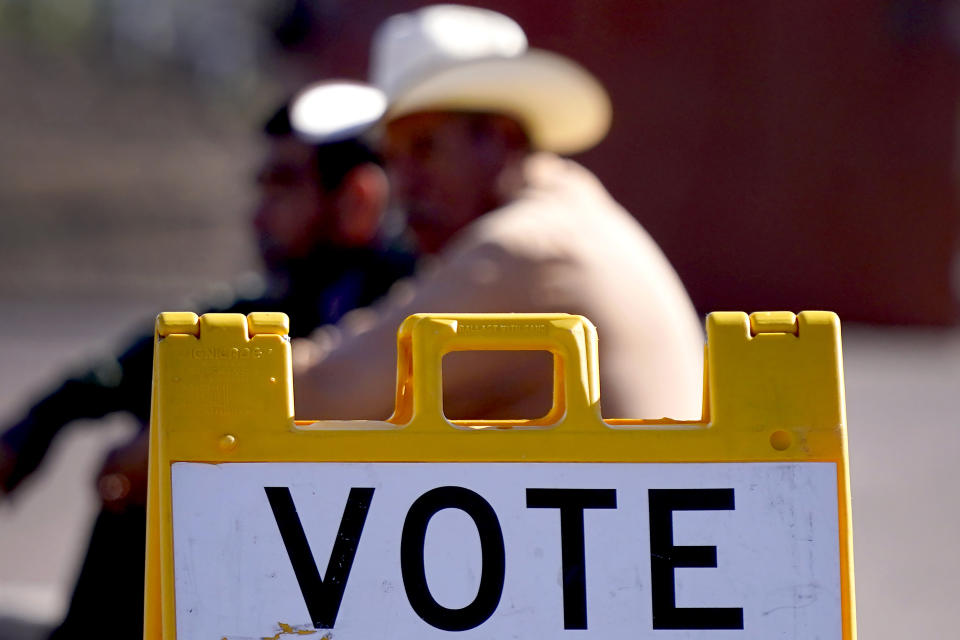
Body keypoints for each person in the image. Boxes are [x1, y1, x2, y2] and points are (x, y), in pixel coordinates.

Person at [0, 81, 416, 639]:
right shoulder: (287, 296)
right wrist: (41, 422)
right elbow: (159, 354)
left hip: (361, 576)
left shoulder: (403, 300)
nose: (259, 215)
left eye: (283, 186)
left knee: (157, 484)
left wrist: (162, 451)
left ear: (356, 199)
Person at [294, 5, 704, 423]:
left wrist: (231, 363)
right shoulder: (570, 217)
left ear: (500, 139)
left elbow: (326, 391)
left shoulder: (523, 250)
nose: (403, 184)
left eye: (424, 149)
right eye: (392, 160)